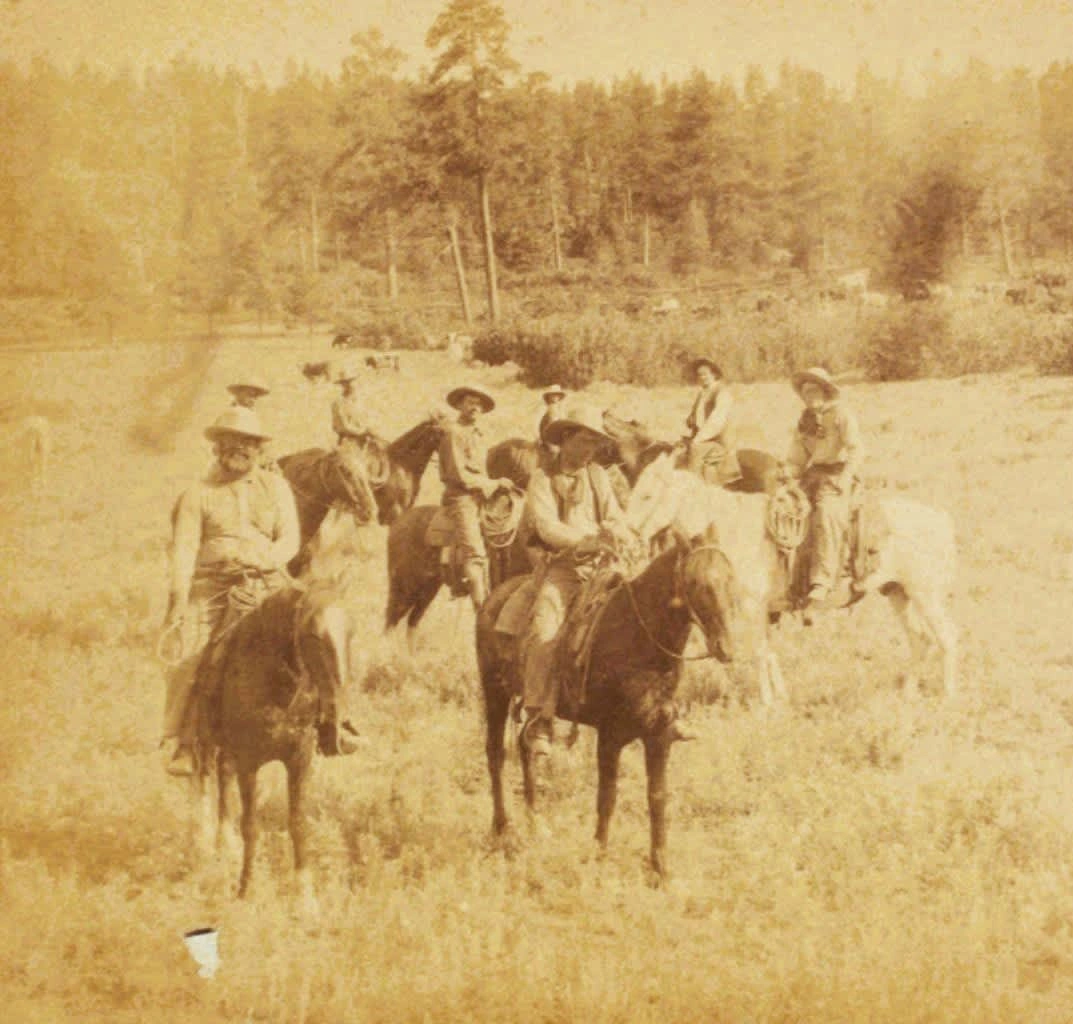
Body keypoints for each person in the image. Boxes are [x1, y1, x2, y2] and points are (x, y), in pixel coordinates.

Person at [160, 407, 301, 777]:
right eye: (232, 441)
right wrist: (178, 602)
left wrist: (266, 559)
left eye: (248, 442)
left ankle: (334, 721)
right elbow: (184, 550)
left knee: (318, 630)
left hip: (268, 580)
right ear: (217, 446)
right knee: (188, 655)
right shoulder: (197, 494)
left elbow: (290, 538)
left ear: (259, 448)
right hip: (212, 585)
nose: (240, 448)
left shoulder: (277, 487)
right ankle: (182, 740)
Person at [520, 402, 633, 761]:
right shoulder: (543, 478)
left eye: (595, 444)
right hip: (564, 567)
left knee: (643, 614)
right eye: (584, 442)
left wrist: (619, 532)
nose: (589, 451)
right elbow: (545, 526)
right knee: (546, 628)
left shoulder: (598, 476)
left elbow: (613, 515)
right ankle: (538, 716)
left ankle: (650, 707)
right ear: (566, 440)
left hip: (603, 565)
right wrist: (582, 541)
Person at [784, 366, 864, 612]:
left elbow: (856, 449)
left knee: (827, 514)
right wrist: (787, 473)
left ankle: (823, 579)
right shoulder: (805, 420)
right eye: (806, 392)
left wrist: (847, 476)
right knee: (784, 511)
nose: (810, 397)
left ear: (826, 392)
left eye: (815, 391)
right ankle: (790, 578)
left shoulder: (841, 415)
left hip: (837, 474)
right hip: (813, 475)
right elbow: (797, 457)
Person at [438, 384, 513, 611]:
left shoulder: (480, 434)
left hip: (483, 495)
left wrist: (498, 484)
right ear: (460, 404)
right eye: (470, 402)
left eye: (479, 405)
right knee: (475, 553)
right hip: (462, 497)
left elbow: (482, 470)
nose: (475, 408)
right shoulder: (453, 433)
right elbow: (459, 475)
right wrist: (493, 484)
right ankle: (481, 609)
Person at [683, 357, 742, 487]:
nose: (702, 377)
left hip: (718, 439)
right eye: (699, 375)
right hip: (703, 437)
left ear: (714, 374)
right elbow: (697, 416)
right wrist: (691, 420)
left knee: (697, 458)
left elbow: (716, 421)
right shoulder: (703, 393)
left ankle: (701, 489)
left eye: (705, 374)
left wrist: (698, 439)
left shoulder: (722, 393)